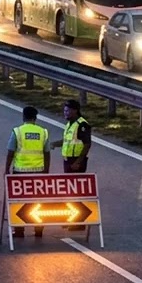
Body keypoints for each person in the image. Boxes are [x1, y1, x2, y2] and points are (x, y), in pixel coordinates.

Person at [4, 105, 50, 238]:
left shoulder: (17, 131)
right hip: (39, 172)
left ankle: (19, 230)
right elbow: (47, 153)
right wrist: (46, 170)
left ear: (23, 117)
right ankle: (38, 229)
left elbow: (10, 152)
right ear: (35, 118)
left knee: (19, 201)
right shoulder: (43, 132)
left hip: (20, 172)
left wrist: (7, 169)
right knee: (37, 201)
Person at [50, 98, 92, 230]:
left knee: (75, 192)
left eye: (68, 110)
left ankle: (79, 222)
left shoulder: (82, 124)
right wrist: (54, 144)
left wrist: (78, 162)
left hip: (76, 162)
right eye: (64, 110)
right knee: (69, 191)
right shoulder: (70, 124)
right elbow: (67, 141)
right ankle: (71, 219)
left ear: (75, 110)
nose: (65, 112)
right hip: (68, 161)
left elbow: (87, 144)